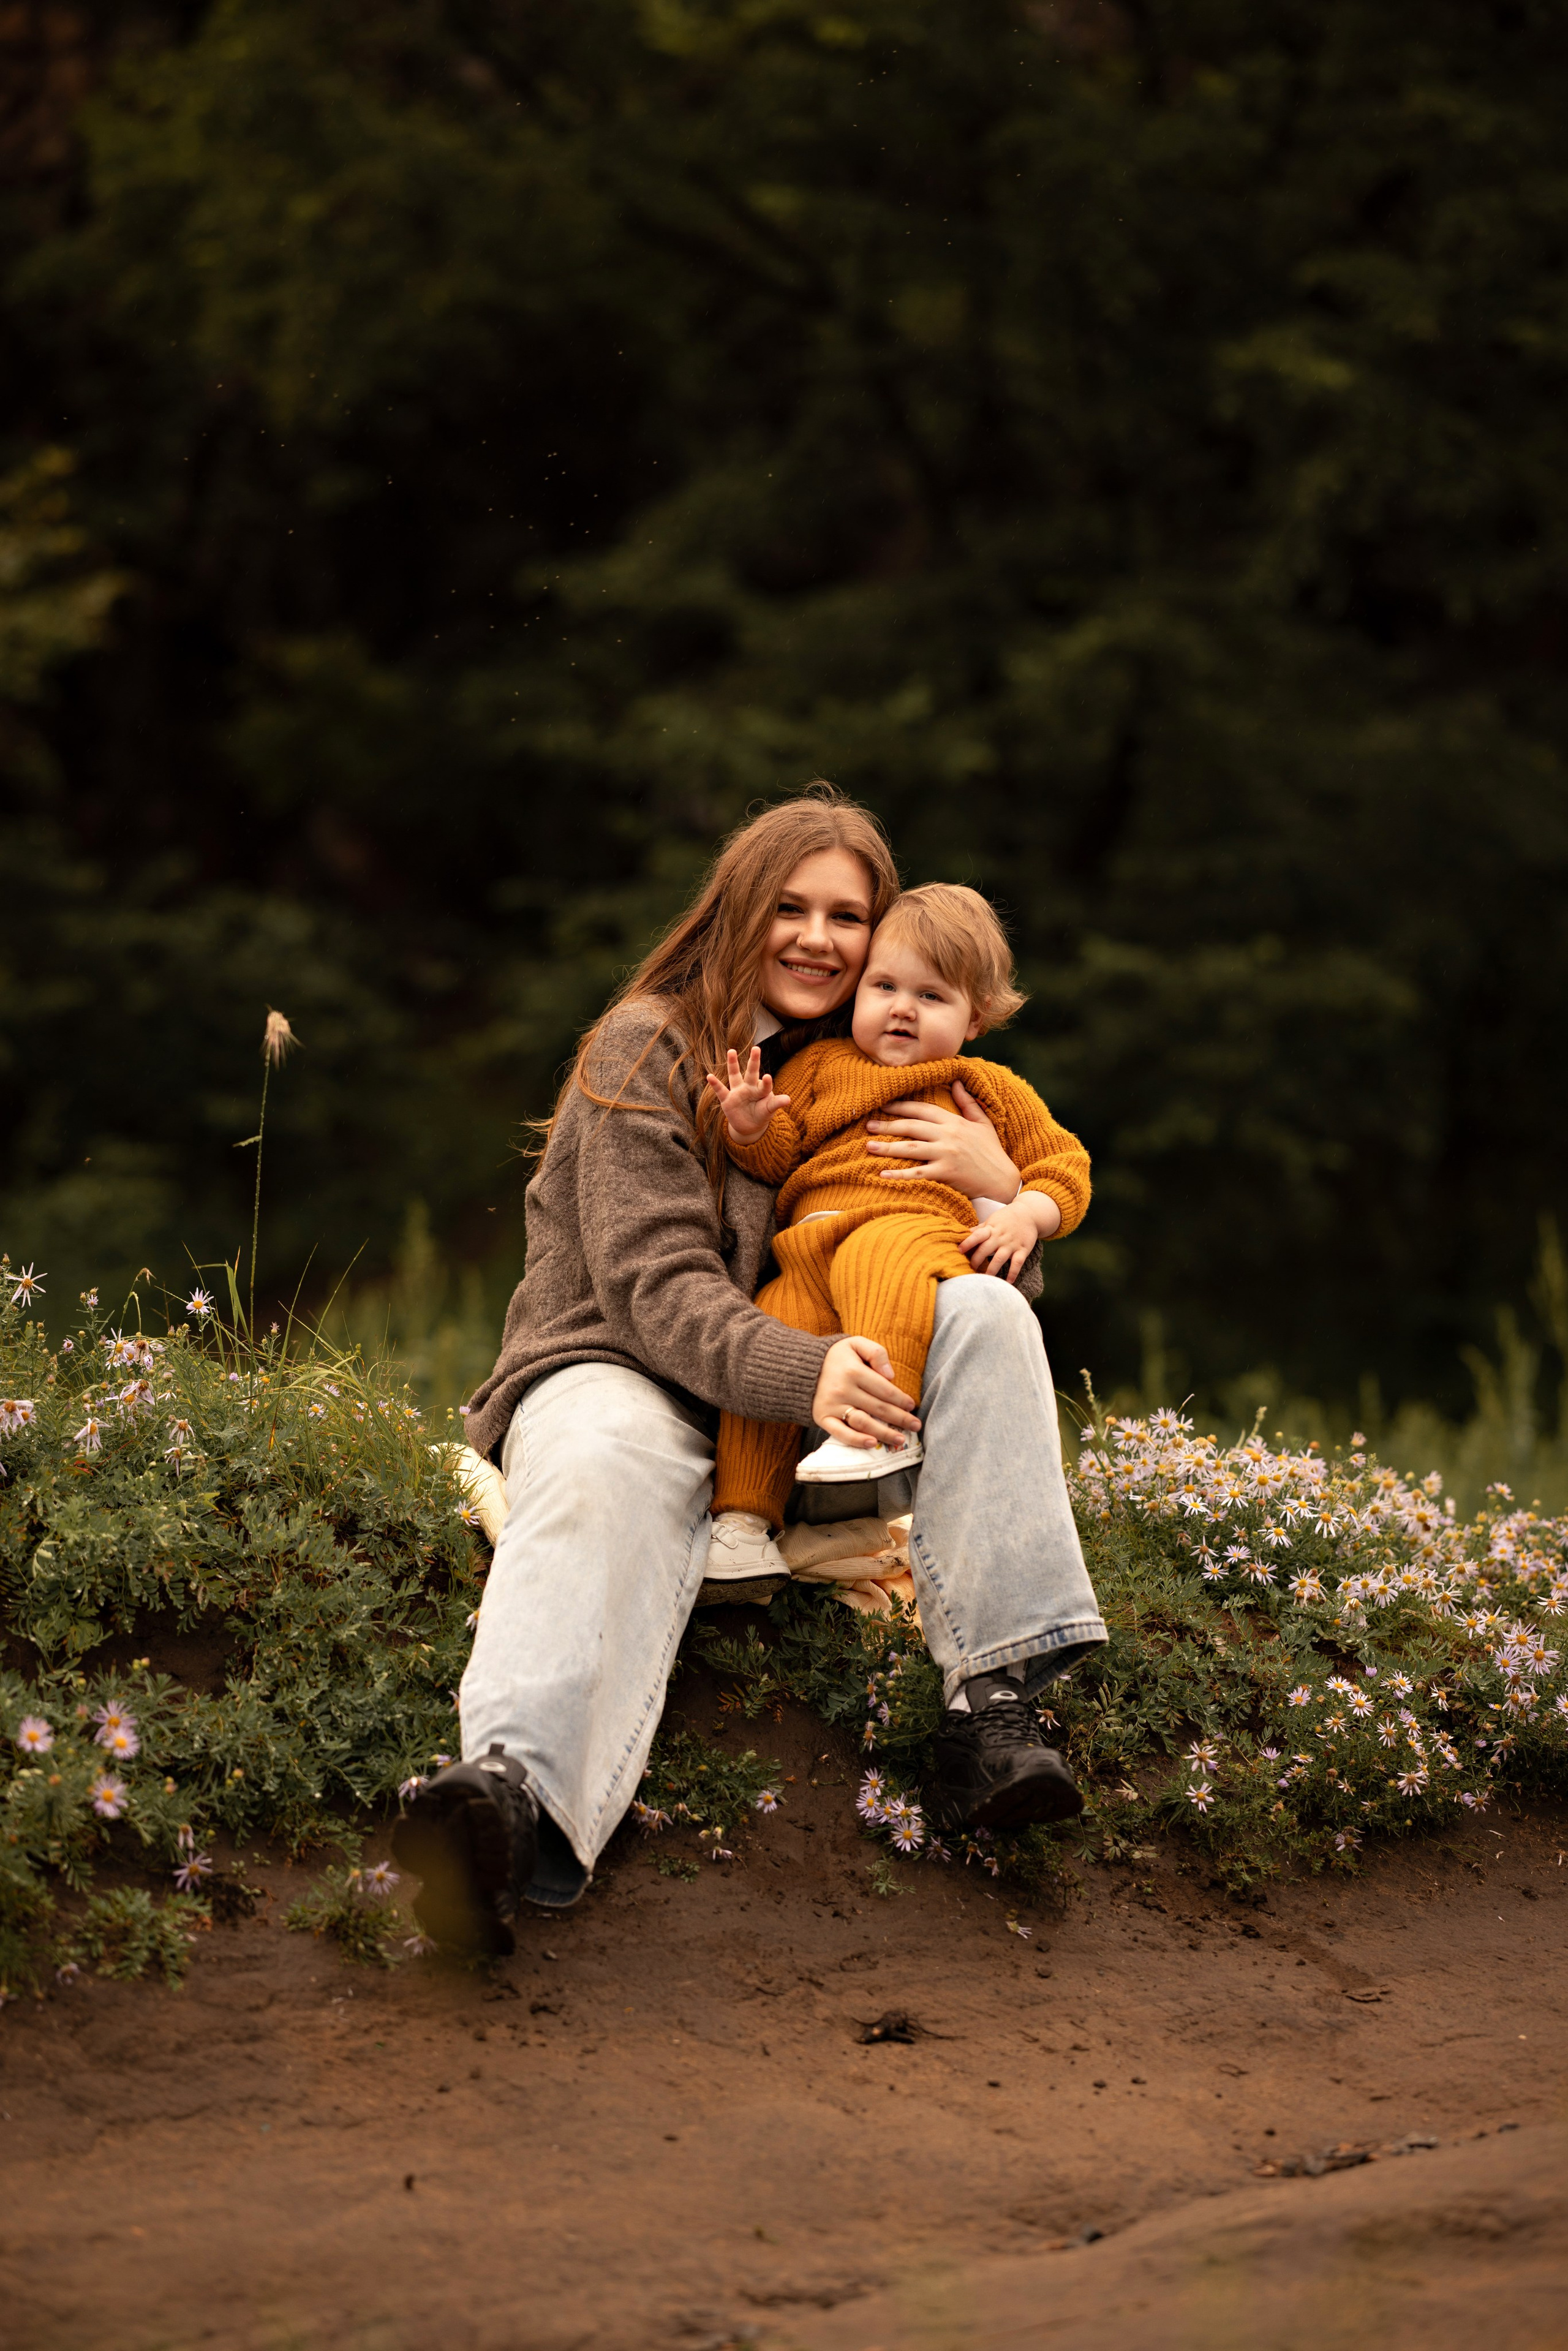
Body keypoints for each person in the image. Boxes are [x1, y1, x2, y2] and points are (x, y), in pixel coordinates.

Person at [393, 787, 1108, 1957]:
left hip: (813, 1438)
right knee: (601, 1454)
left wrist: (997, 1190)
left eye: (848, 916)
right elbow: (656, 1288)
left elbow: (956, 1288)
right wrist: (811, 1367)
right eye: (791, 907)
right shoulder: (649, 1044)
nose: (821, 939)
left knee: (981, 1305)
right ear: (738, 909)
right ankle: (508, 1796)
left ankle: (998, 1707)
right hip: (626, 1370)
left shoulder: (886, 1070)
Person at [706, 883, 1091, 1545]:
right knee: (773, 1320)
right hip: (808, 1247)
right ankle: (742, 1518)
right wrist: (747, 1128)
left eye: (931, 995)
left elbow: (1065, 1165)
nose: (902, 1010)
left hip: (913, 1233)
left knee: (877, 1255)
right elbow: (779, 1157)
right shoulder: (820, 1066)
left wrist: (1024, 1213)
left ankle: (877, 1434)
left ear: (977, 1016)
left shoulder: (986, 1088)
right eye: (883, 987)